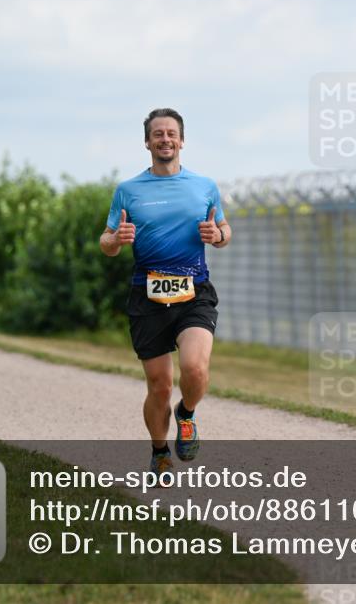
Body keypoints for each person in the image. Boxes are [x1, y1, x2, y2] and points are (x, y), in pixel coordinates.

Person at [100, 108, 231, 480]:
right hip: (148, 294)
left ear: (182, 140)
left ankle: (186, 413)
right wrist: (116, 241)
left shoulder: (204, 185)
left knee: (195, 367)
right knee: (159, 386)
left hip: (194, 291)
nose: (165, 139)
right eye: (157, 134)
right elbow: (106, 239)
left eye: (171, 133)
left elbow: (224, 229)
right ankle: (159, 452)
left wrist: (218, 236)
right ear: (147, 142)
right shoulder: (128, 190)